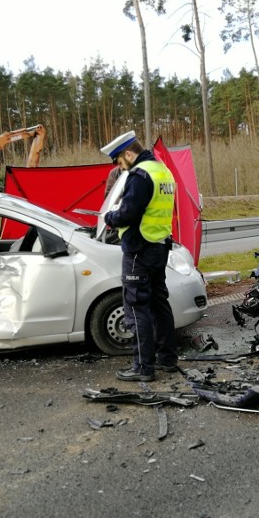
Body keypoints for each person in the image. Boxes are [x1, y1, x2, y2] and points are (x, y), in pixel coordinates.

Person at [100, 131, 178, 381]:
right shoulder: (163, 171)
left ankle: (143, 367)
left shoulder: (140, 175)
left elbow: (128, 214)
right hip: (159, 245)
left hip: (139, 248)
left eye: (119, 161)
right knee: (159, 303)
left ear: (128, 154)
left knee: (135, 307)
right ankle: (167, 359)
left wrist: (109, 217)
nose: (119, 167)